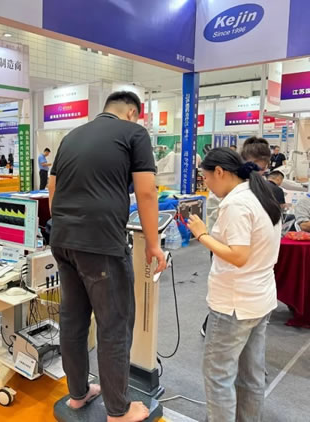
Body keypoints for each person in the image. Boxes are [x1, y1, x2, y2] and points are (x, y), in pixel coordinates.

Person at [49, 91, 166, 422]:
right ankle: (118, 411)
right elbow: (146, 191)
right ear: (131, 113)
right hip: (102, 244)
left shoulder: (71, 136)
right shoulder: (134, 133)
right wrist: (154, 244)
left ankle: (78, 395)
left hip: (63, 240)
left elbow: (53, 189)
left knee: (73, 321)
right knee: (114, 326)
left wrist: (69, 226)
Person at [187, 148, 281, 422]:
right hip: (259, 298)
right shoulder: (259, 195)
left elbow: (238, 256)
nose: (206, 185)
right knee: (251, 375)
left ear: (219, 172)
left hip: (234, 304)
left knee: (219, 376)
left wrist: (202, 235)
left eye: (205, 178)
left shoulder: (236, 204)